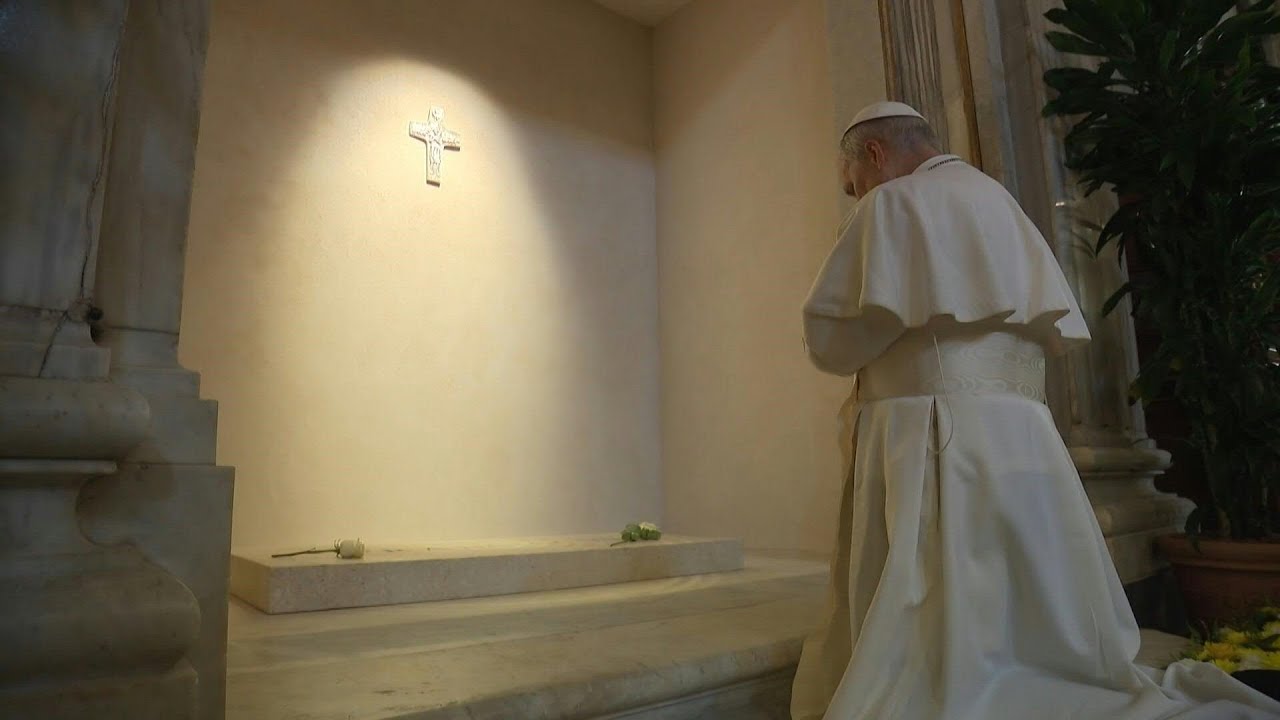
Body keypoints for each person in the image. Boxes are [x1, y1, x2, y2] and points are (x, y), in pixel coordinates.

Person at [789, 101, 1280, 720]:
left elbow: (835, 338)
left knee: (942, 606)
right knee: (1021, 589)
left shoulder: (893, 202)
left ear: (875, 155)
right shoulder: (997, 199)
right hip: (1021, 430)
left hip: (931, 427)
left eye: (852, 180)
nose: (856, 193)